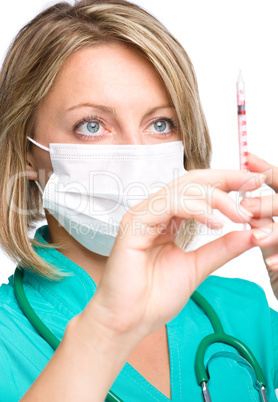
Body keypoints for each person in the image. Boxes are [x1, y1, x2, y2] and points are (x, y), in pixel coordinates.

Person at [0, 0, 277, 401]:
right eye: (91, 126)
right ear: (27, 152)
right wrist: (107, 330)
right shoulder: (8, 341)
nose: (136, 152)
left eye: (160, 124)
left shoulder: (246, 315)